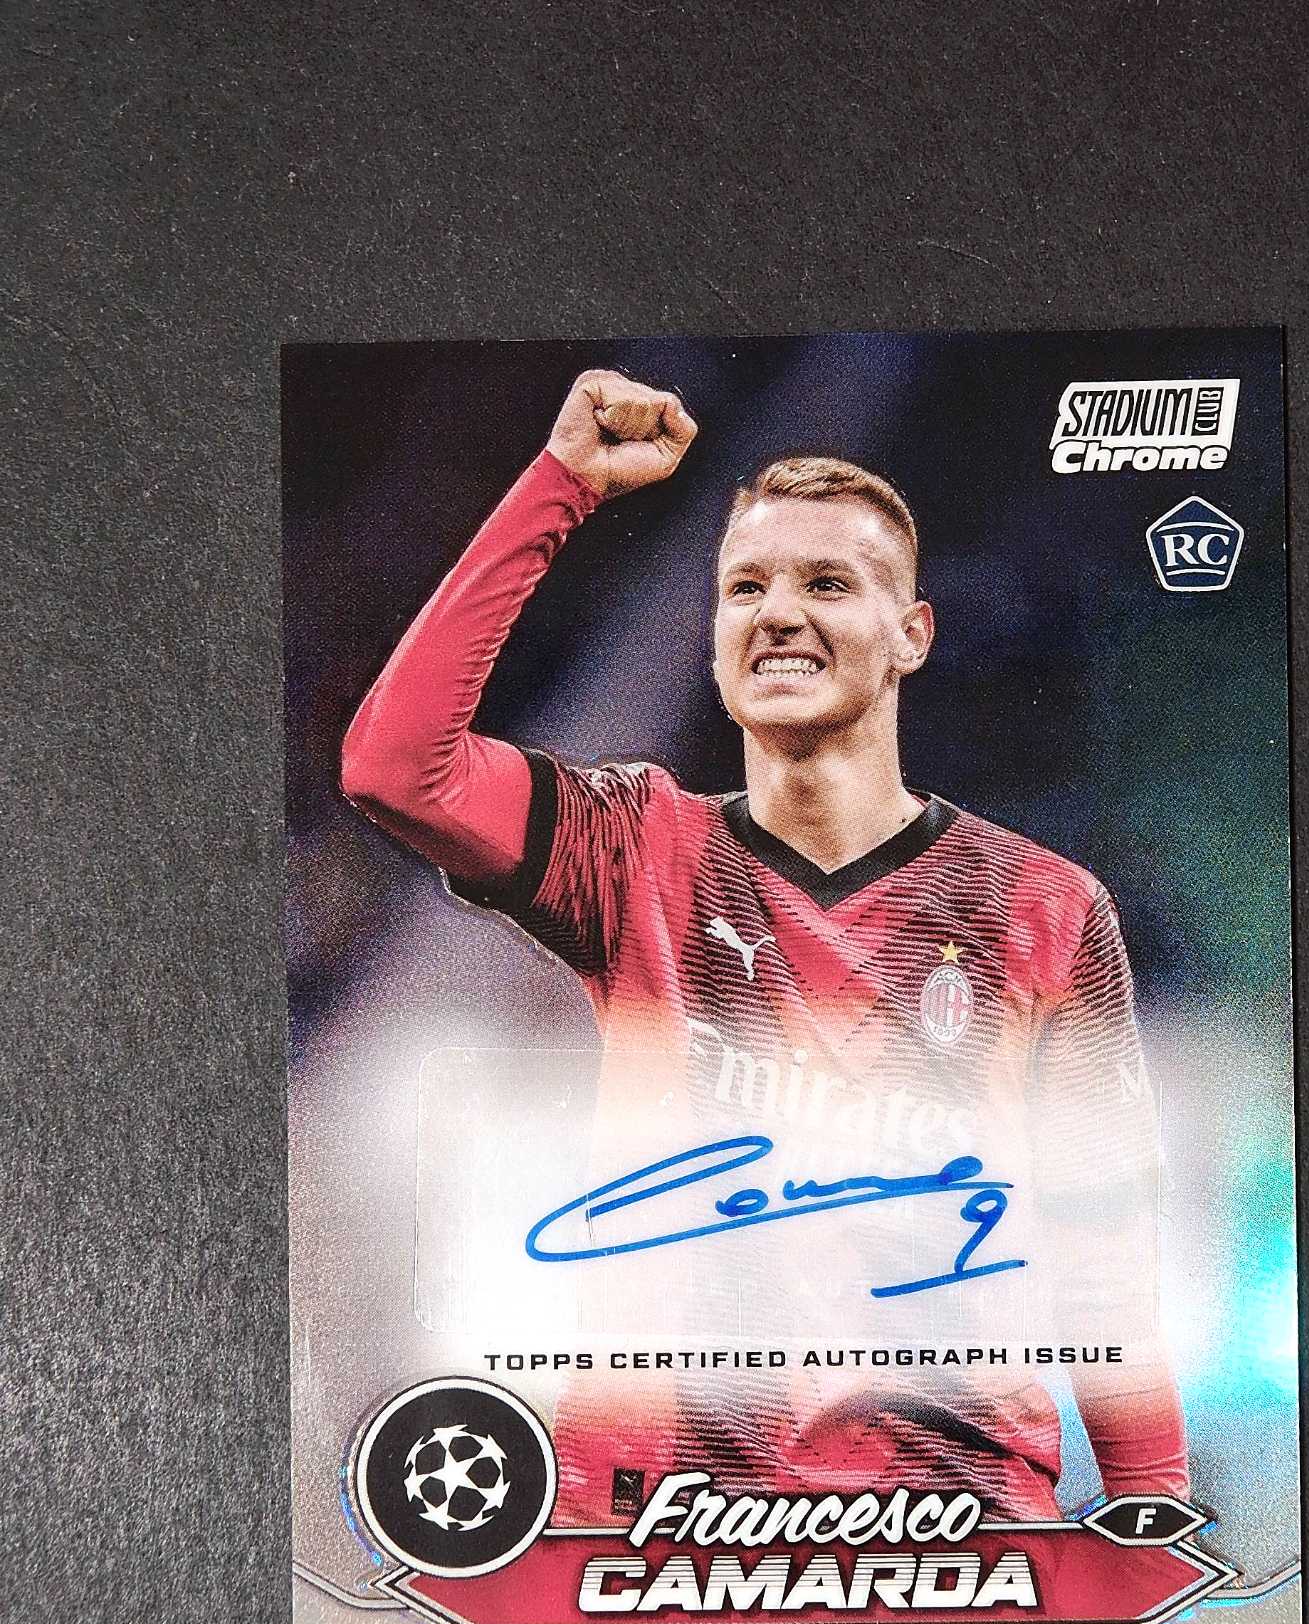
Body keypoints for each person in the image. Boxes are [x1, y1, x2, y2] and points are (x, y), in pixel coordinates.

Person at [342, 370, 1187, 1525]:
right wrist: (558, 489)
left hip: (947, 1526)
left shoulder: (1042, 906)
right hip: (657, 1531)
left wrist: (1150, 1508)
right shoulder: (630, 848)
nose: (777, 612)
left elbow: (1103, 1249)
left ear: (910, 634)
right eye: (746, 586)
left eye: (826, 582)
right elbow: (397, 769)